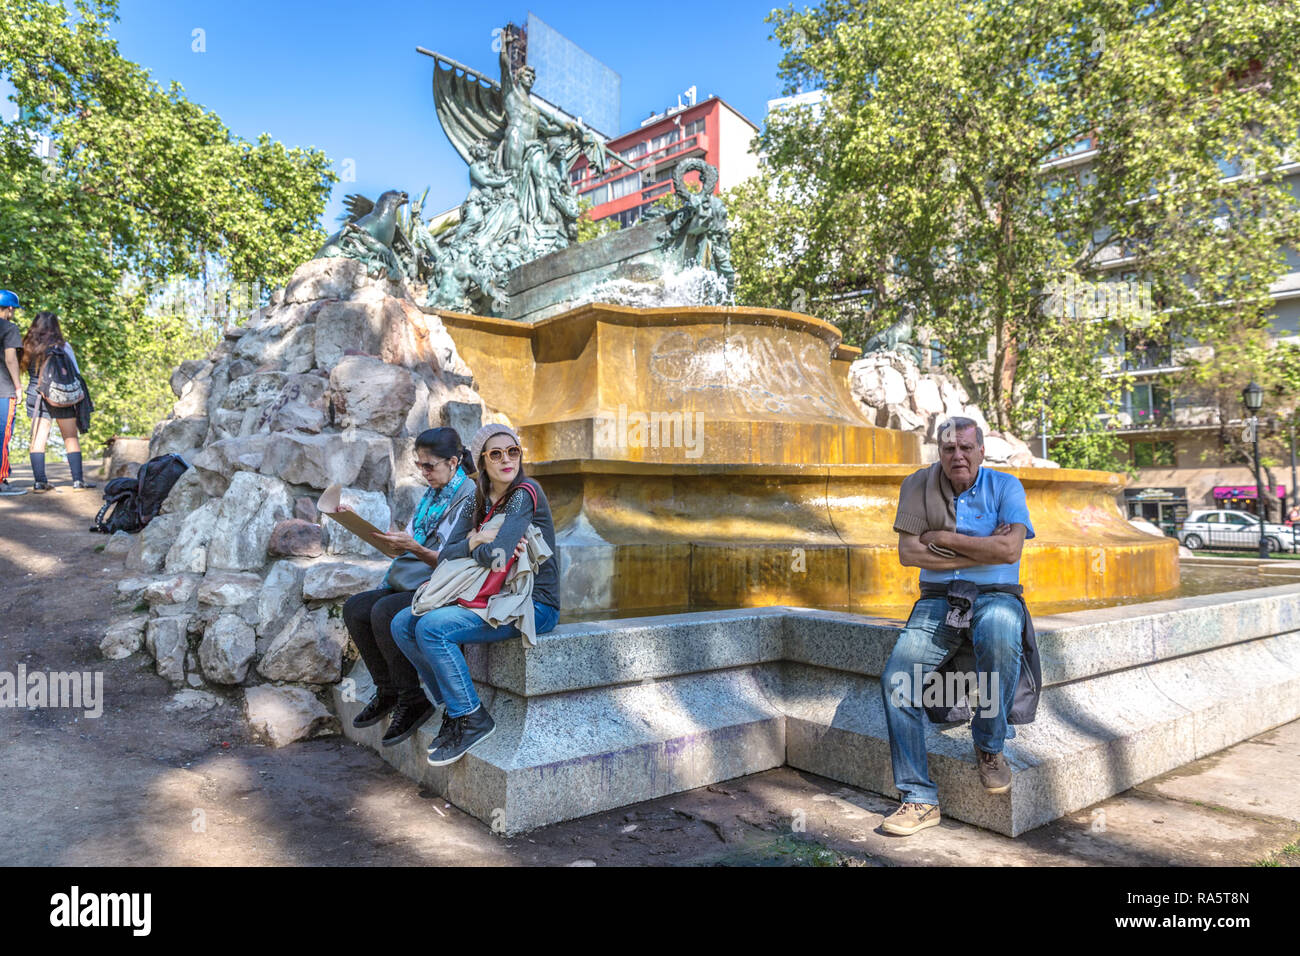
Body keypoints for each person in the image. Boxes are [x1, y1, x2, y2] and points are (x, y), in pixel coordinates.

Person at [878, 417, 1038, 836]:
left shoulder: (1006, 487)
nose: (958, 455)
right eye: (949, 449)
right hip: (937, 602)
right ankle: (918, 798)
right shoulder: (917, 484)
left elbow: (1009, 549)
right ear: (939, 453)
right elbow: (909, 554)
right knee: (898, 680)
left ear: (981, 451)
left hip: (996, 595)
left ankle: (989, 746)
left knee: (1002, 631)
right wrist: (982, 551)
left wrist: (943, 539)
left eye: (966, 448)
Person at [390, 423, 560, 767]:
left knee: (431, 628)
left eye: (513, 451)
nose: (506, 459)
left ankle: (473, 717)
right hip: (490, 596)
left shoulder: (526, 492)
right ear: (482, 461)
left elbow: (498, 556)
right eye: (495, 454)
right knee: (401, 623)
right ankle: (454, 710)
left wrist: (482, 545)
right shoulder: (480, 498)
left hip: (531, 603)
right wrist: (473, 542)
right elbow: (448, 550)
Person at [342, 427, 477, 746]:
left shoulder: (469, 496)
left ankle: (412, 698)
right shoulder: (432, 495)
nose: (424, 472)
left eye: (430, 466)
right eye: (419, 465)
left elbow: (455, 559)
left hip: (445, 583)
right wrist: (390, 539)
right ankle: (388, 690)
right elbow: (420, 536)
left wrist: (414, 548)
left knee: (385, 610)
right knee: (355, 608)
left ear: (454, 461)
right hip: (415, 575)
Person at [21, 312, 94, 492]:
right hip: (61, 396)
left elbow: (22, 369)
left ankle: (40, 482)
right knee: (70, 437)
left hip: (36, 396)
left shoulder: (27, 346)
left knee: (38, 439)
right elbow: (75, 372)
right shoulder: (63, 346)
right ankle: (77, 481)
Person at [0, 290, 26, 496]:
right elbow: (10, 359)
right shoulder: (9, 328)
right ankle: (1, 481)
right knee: (2, 434)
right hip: (3, 390)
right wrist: (18, 386)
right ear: (9, 308)